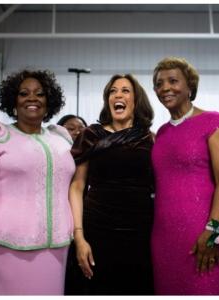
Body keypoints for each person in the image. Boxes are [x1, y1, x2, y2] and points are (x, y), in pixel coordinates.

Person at [0, 70, 75, 295]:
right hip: (2, 249)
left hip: (56, 250)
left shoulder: (60, 139)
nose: (32, 98)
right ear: (13, 100)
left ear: (49, 101)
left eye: (40, 94)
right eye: (24, 93)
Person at [151, 57, 219, 295]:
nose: (165, 87)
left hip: (204, 231)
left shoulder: (214, 122)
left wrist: (213, 232)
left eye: (173, 81)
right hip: (163, 236)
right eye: (159, 83)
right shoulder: (162, 133)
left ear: (190, 87)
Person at [66, 74, 155, 295]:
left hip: (140, 233)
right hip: (97, 229)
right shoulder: (90, 135)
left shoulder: (150, 138)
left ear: (136, 100)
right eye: (113, 91)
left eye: (125, 90)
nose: (118, 94)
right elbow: (77, 186)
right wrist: (79, 237)